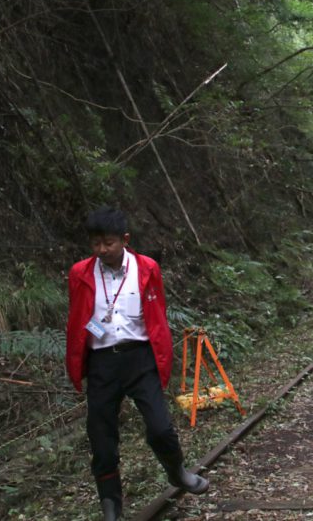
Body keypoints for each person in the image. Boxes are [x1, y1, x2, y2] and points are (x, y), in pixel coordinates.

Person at [65, 206, 208, 521]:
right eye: (96, 244)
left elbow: (156, 316)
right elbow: (80, 319)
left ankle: (177, 471)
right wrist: (85, 350)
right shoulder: (80, 273)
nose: (102, 250)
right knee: (101, 440)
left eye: (109, 243)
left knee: (160, 427)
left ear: (125, 239)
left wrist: (163, 356)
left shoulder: (147, 268)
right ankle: (111, 508)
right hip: (102, 363)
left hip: (140, 358)